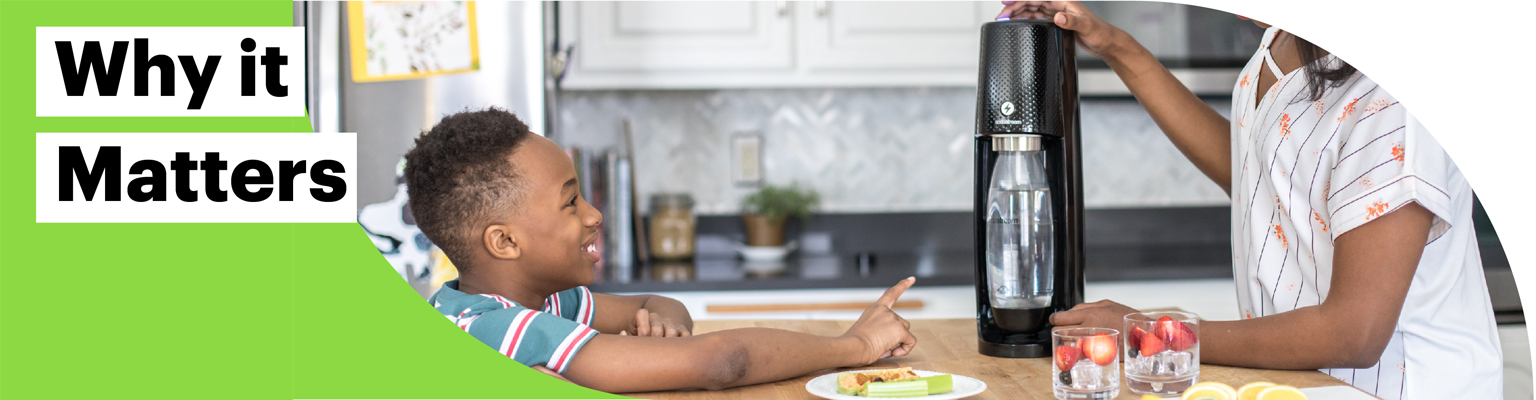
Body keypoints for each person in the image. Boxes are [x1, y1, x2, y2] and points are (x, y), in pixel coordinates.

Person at [996, 2, 1502, 398]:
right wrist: (1116, 46)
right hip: (1305, 385)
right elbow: (1257, 177)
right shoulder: (1280, 42)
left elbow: (1356, 332)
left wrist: (1153, 334)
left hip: (1401, 387)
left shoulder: (1391, 97)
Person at [402, 107, 919, 393]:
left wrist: (666, 330)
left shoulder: (540, 302)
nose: (593, 215)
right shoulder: (494, 329)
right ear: (505, 242)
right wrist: (856, 348)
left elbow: (654, 304)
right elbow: (724, 364)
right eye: (570, 203)